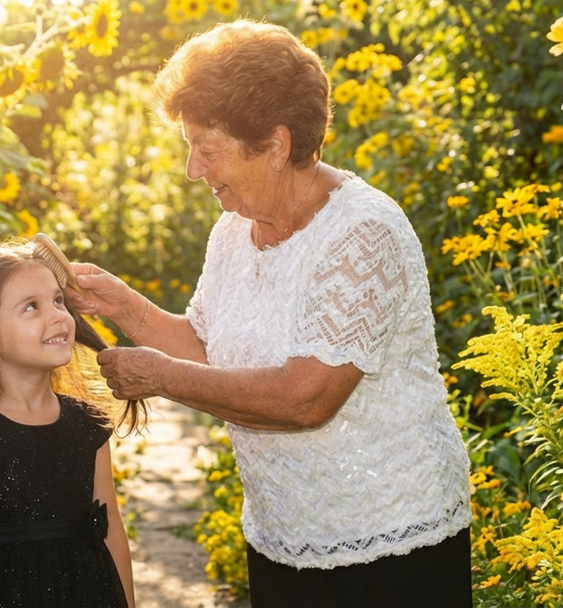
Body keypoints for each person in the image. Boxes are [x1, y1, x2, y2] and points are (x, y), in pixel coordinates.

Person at [68, 19, 472, 608]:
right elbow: (212, 353)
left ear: (277, 144)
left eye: (207, 149)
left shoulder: (363, 234)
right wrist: (126, 307)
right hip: (281, 537)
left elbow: (305, 398)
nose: (192, 170)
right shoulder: (234, 230)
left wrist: (158, 378)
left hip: (390, 547)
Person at [0, 239, 143, 608]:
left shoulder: (87, 427)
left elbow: (111, 530)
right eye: (31, 307)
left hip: (83, 593)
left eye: (58, 300)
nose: (57, 315)